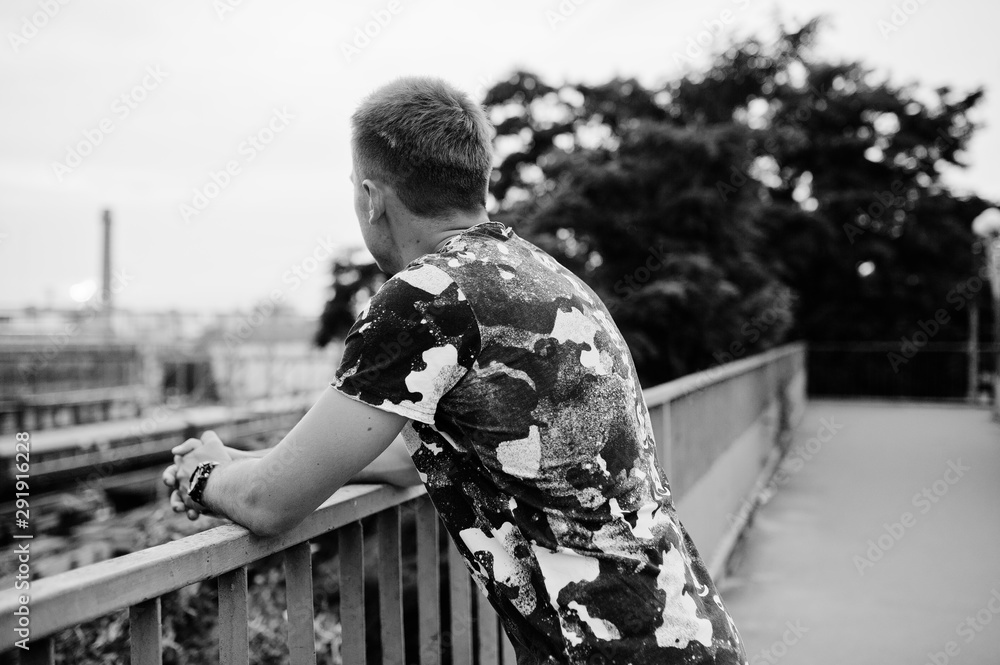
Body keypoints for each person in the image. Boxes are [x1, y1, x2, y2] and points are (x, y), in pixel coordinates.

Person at [163, 76, 748, 665]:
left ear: (372, 197)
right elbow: (403, 459)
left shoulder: (425, 298)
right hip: (689, 631)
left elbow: (269, 504)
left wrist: (201, 475)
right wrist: (240, 460)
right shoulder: (546, 277)